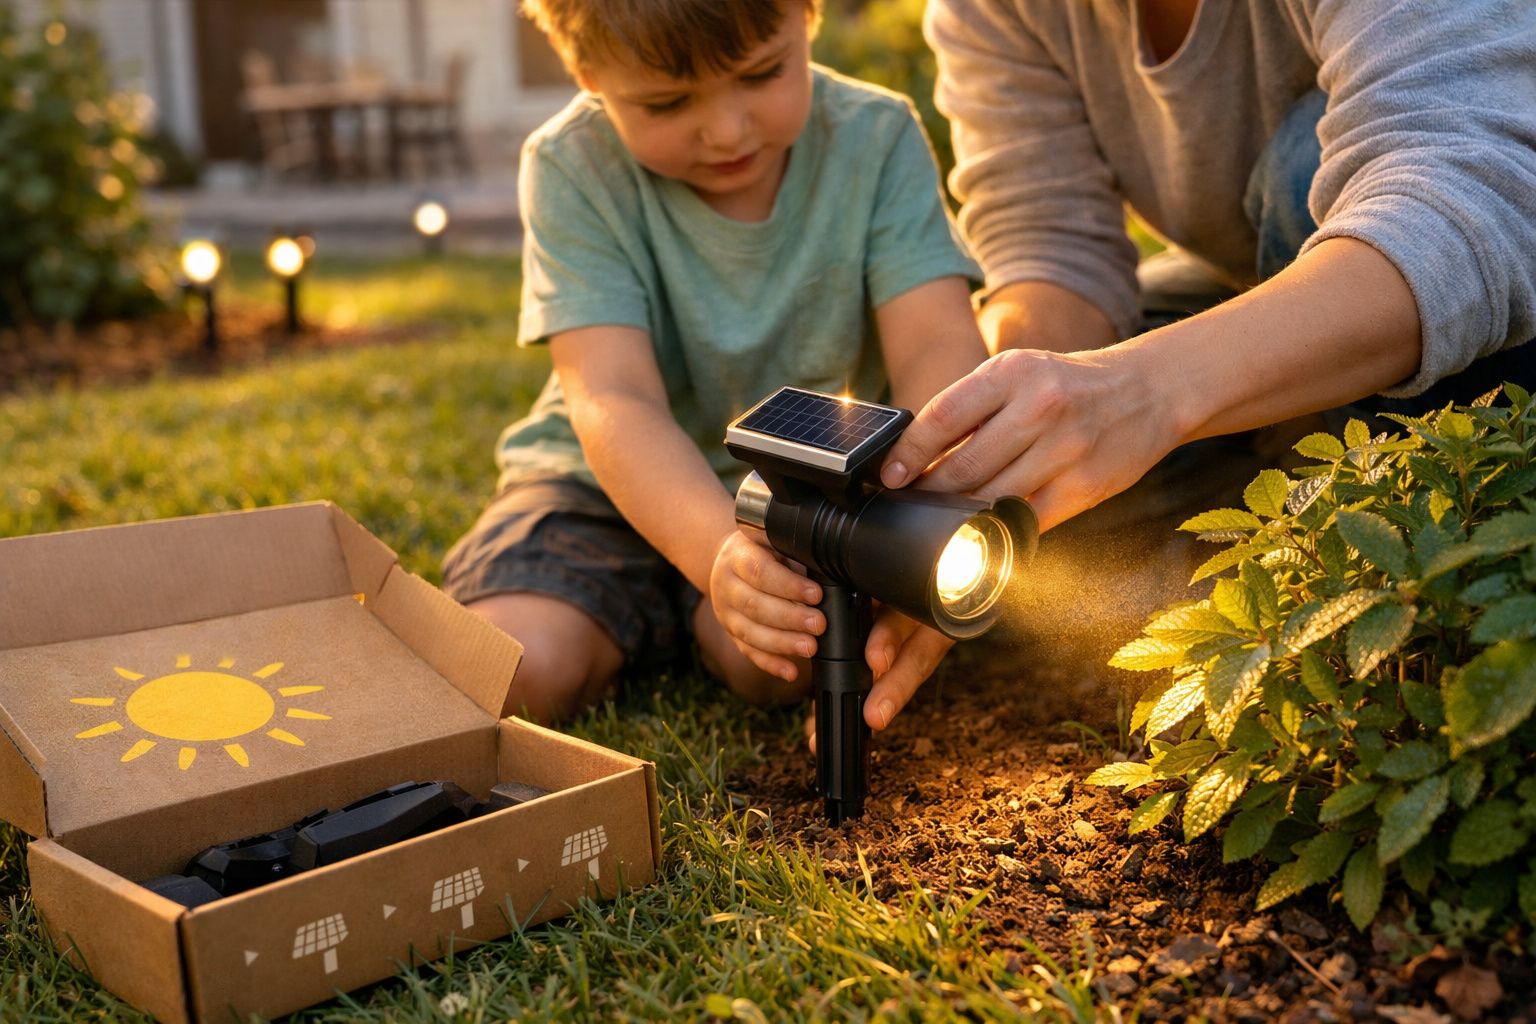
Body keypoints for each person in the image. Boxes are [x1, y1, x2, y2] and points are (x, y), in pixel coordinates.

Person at [802, 0, 1536, 734]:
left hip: (1476, 260)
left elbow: (1477, 190)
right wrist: (987, 457)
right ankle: (1299, 512)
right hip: (1258, 279)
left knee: (1301, 171)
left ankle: (1378, 563)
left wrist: (1152, 390)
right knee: (1053, 494)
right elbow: (1054, 252)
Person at [442, 0, 986, 721]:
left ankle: (697, 626)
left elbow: (935, 346)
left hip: (803, 494)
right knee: (516, 669)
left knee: (793, 651)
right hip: (598, 494)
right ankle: (648, 611)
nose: (727, 130)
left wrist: (916, 503)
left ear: (807, 17)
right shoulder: (573, 163)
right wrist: (713, 552)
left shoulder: (874, 136)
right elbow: (614, 397)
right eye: (667, 102)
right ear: (586, 71)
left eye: (761, 74)